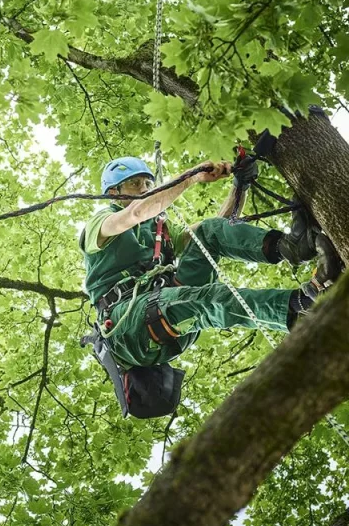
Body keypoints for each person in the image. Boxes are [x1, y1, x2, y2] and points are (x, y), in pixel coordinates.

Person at [81, 156, 343, 372]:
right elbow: (136, 212)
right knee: (206, 298)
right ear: (114, 193)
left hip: (167, 302)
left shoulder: (159, 230)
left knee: (207, 232)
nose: (145, 189)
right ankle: (303, 306)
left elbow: (216, 232)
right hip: (129, 328)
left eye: (148, 182)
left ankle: (291, 247)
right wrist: (190, 176)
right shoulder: (101, 224)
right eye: (135, 184)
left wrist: (240, 186)